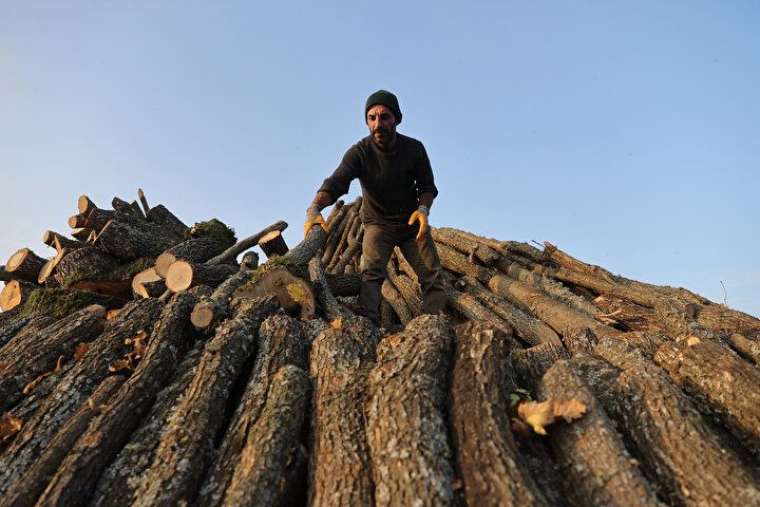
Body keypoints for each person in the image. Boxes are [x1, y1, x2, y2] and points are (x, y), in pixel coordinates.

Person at [304, 90, 447, 323]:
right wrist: (314, 209)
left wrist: (423, 210)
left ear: (396, 119)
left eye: (385, 117)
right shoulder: (360, 153)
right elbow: (335, 183)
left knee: (432, 275)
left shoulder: (414, 149)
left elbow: (427, 187)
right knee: (370, 273)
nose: (378, 124)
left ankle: (431, 323)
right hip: (378, 224)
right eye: (372, 118)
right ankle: (368, 321)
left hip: (412, 224)